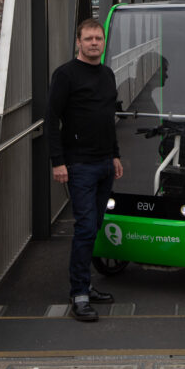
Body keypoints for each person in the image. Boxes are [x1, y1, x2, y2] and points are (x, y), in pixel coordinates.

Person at [48, 18, 124, 322]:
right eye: (89, 38)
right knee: (84, 227)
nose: (94, 43)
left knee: (94, 227)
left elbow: (108, 118)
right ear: (78, 42)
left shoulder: (107, 74)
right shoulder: (65, 75)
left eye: (98, 38)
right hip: (79, 164)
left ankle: (87, 285)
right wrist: (57, 162)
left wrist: (115, 155)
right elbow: (52, 119)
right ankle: (79, 293)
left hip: (105, 162)